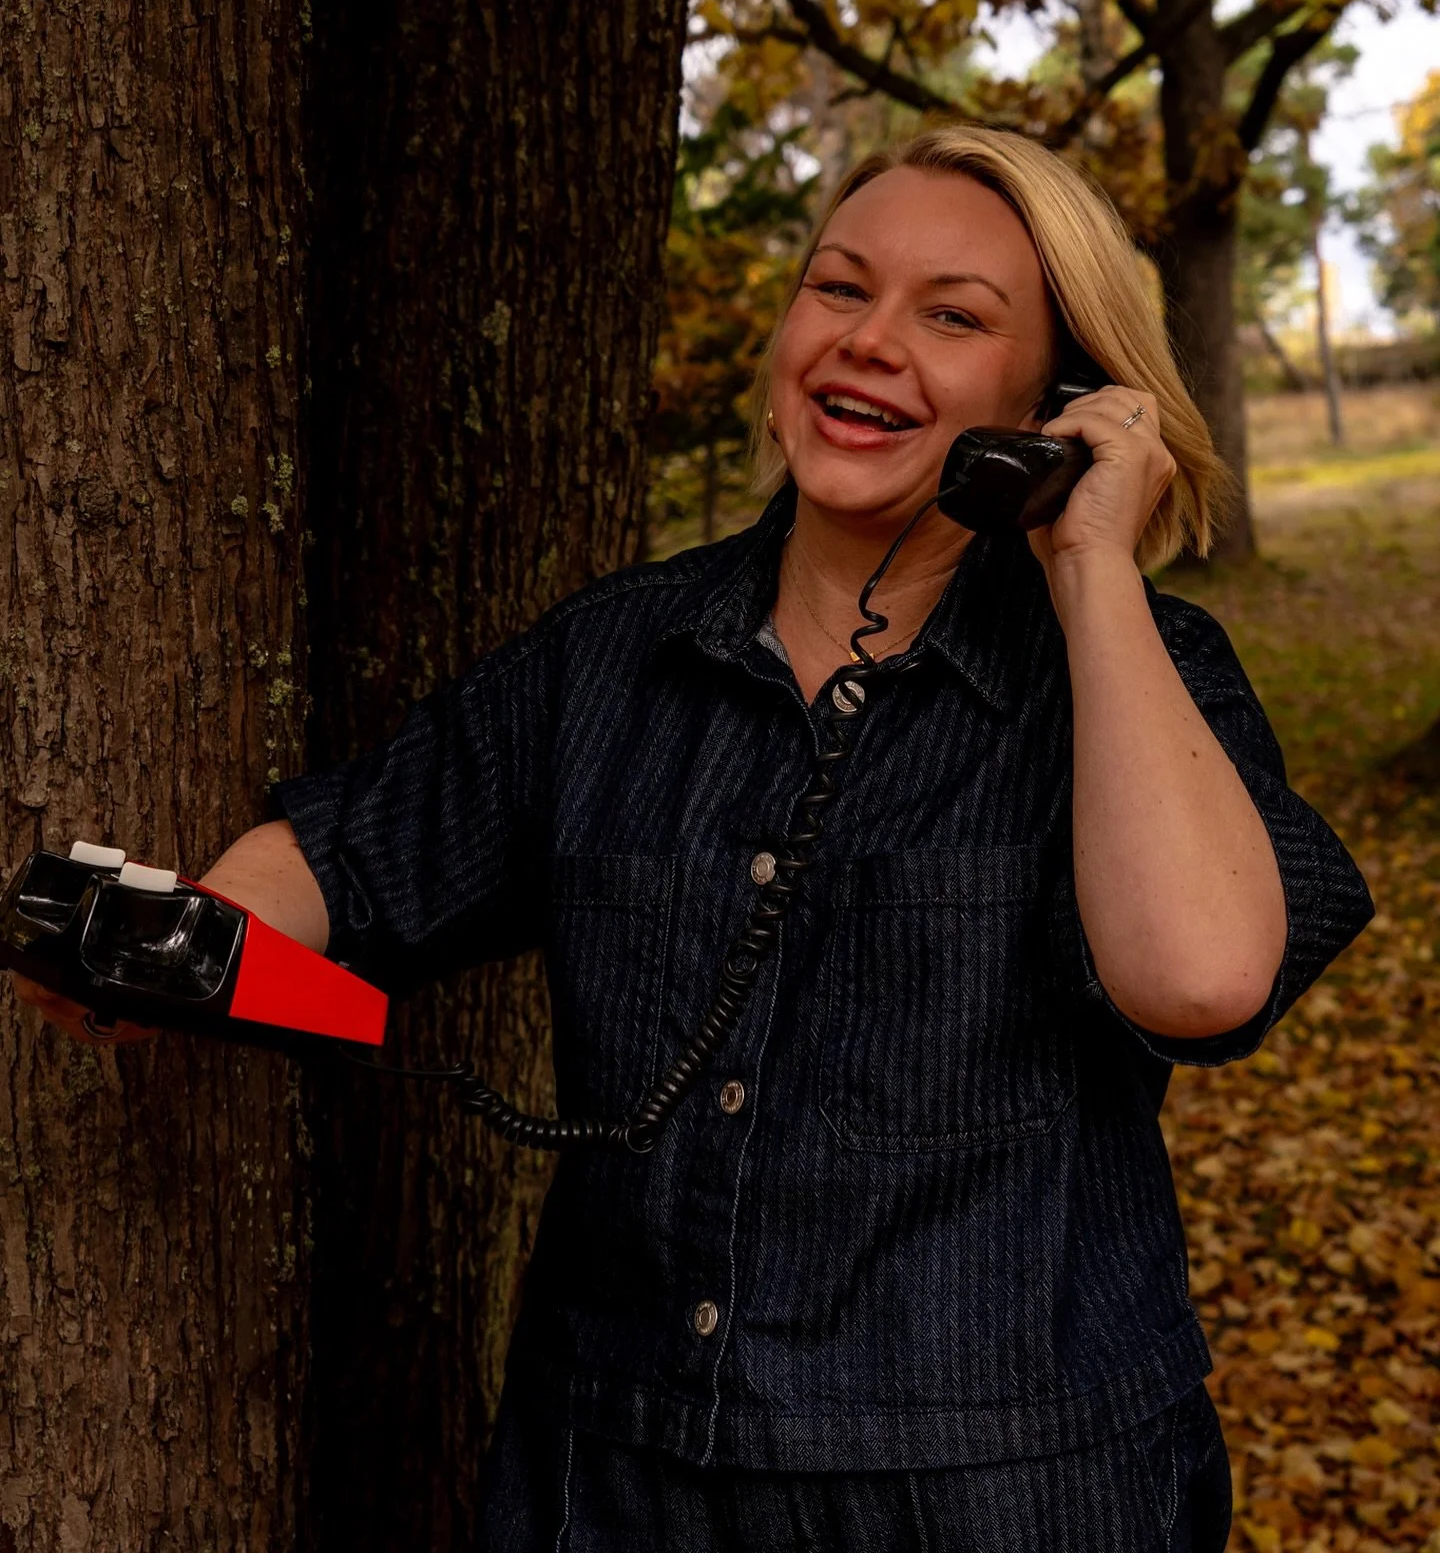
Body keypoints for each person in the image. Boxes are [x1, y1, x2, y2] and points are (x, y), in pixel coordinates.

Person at [24, 124, 1373, 1550]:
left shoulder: (1145, 680)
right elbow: (350, 855)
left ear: (1064, 400)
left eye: (955, 316)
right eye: (838, 289)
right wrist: (189, 946)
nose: (869, 343)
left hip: (1005, 1493)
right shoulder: (608, 657)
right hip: (611, 1480)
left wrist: (1091, 561)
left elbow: (1204, 975)